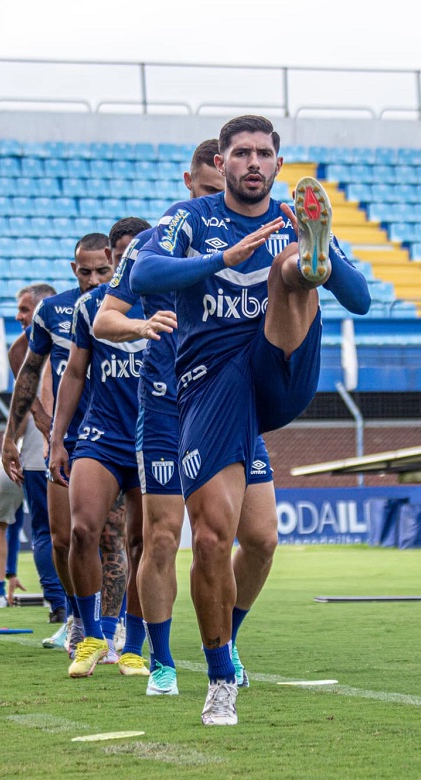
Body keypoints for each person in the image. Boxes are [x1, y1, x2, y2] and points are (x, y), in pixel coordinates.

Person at [128, 115, 371, 724]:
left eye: (265, 153)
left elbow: (362, 299)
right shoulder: (190, 220)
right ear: (223, 162)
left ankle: (308, 262)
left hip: (279, 364)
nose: (253, 163)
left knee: (291, 265)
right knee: (233, 539)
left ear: (278, 167)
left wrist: (319, 257)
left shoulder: (288, 216)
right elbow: (142, 275)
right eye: (242, 154)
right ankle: (219, 674)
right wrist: (221, 259)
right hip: (211, 382)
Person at [95, 139, 280, 698]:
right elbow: (106, 319)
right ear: (195, 183)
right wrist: (142, 328)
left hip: (228, 402)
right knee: (164, 536)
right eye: (203, 192)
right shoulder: (167, 235)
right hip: (166, 398)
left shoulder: (259, 232)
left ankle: (229, 637)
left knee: (262, 539)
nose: (211, 208)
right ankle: (163, 660)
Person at [0, 235, 127, 657]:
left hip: (115, 435)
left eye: (101, 271)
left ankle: (111, 627)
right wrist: (11, 437)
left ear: (112, 266)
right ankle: (77, 616)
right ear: (73, 269)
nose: (92, 279)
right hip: (68, 437)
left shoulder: (126, 306)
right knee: (63, 538)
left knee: (110, 538)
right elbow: (28, 370)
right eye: (84, 271)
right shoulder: (52, 311)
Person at [49, 219, 153, 679]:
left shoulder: (169, 301)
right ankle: (92, 635)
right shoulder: (91, 306)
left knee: (144, 543)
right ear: (111, 257)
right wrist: (57, 437)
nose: (128, 259)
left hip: (154, 437)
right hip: (102, 433)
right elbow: (73, 373)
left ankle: (132, 644)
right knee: (82, 530)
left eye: (137, 251)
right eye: (121, 252)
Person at [0, 283, 65, 620]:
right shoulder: (34, 346)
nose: (19, 316)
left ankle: (68, 606)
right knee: (47, 530)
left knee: (59, 531)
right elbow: (20, 365)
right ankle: (60, 605)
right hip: (39, 449)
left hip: (60, 447)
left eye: (24, 309)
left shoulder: (64, 335)